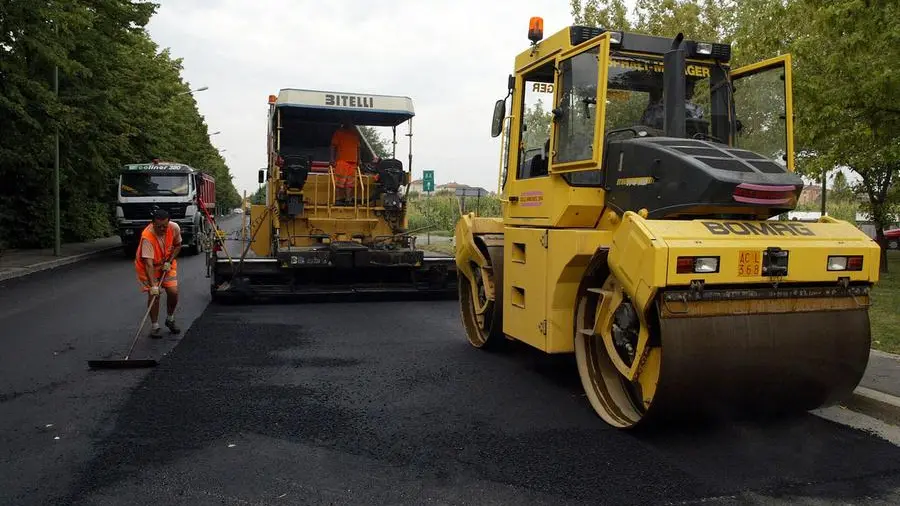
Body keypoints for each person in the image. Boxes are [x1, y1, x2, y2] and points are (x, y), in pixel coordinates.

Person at [134, 208, 182, 337]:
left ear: (169, 222)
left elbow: (178, 245)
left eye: (164, 226)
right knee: (155, 295)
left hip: (166, 264)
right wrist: (153, 286)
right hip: (148, 268)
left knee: (173, 292)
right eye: (158, 226)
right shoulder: (147, 237)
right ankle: (155, 326)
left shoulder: (174, 228)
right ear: (153, 223)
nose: (162, 229)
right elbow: (148, 264)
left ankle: (170, 319)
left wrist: (169, 261)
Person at [331, 122, 360, 205]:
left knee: (350, 184)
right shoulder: (338, 133)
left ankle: (348, 200)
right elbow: (333, 146)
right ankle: (338, 199)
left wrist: (359, 159)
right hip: (341, 161)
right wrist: (332, 159)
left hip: (353, 162)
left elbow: (358, 148)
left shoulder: (355, 135)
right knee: (339, 182)